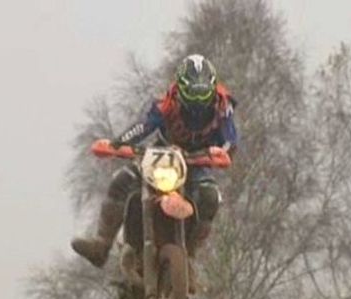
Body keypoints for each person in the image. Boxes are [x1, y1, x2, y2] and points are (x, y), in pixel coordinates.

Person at [71, 54, 239, 268]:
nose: (197, 103)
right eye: (192, 95)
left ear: (212, 91)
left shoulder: (223, 109)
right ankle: (102, 245)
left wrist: (221, 154)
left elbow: (230, 139)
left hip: (197, 161)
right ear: (180, 90)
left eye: (202, 96)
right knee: (122, 179)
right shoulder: (166, 104)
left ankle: (189, 256)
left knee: (210, 197)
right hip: (162, 154)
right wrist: (116, 144)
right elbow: (143, 126)